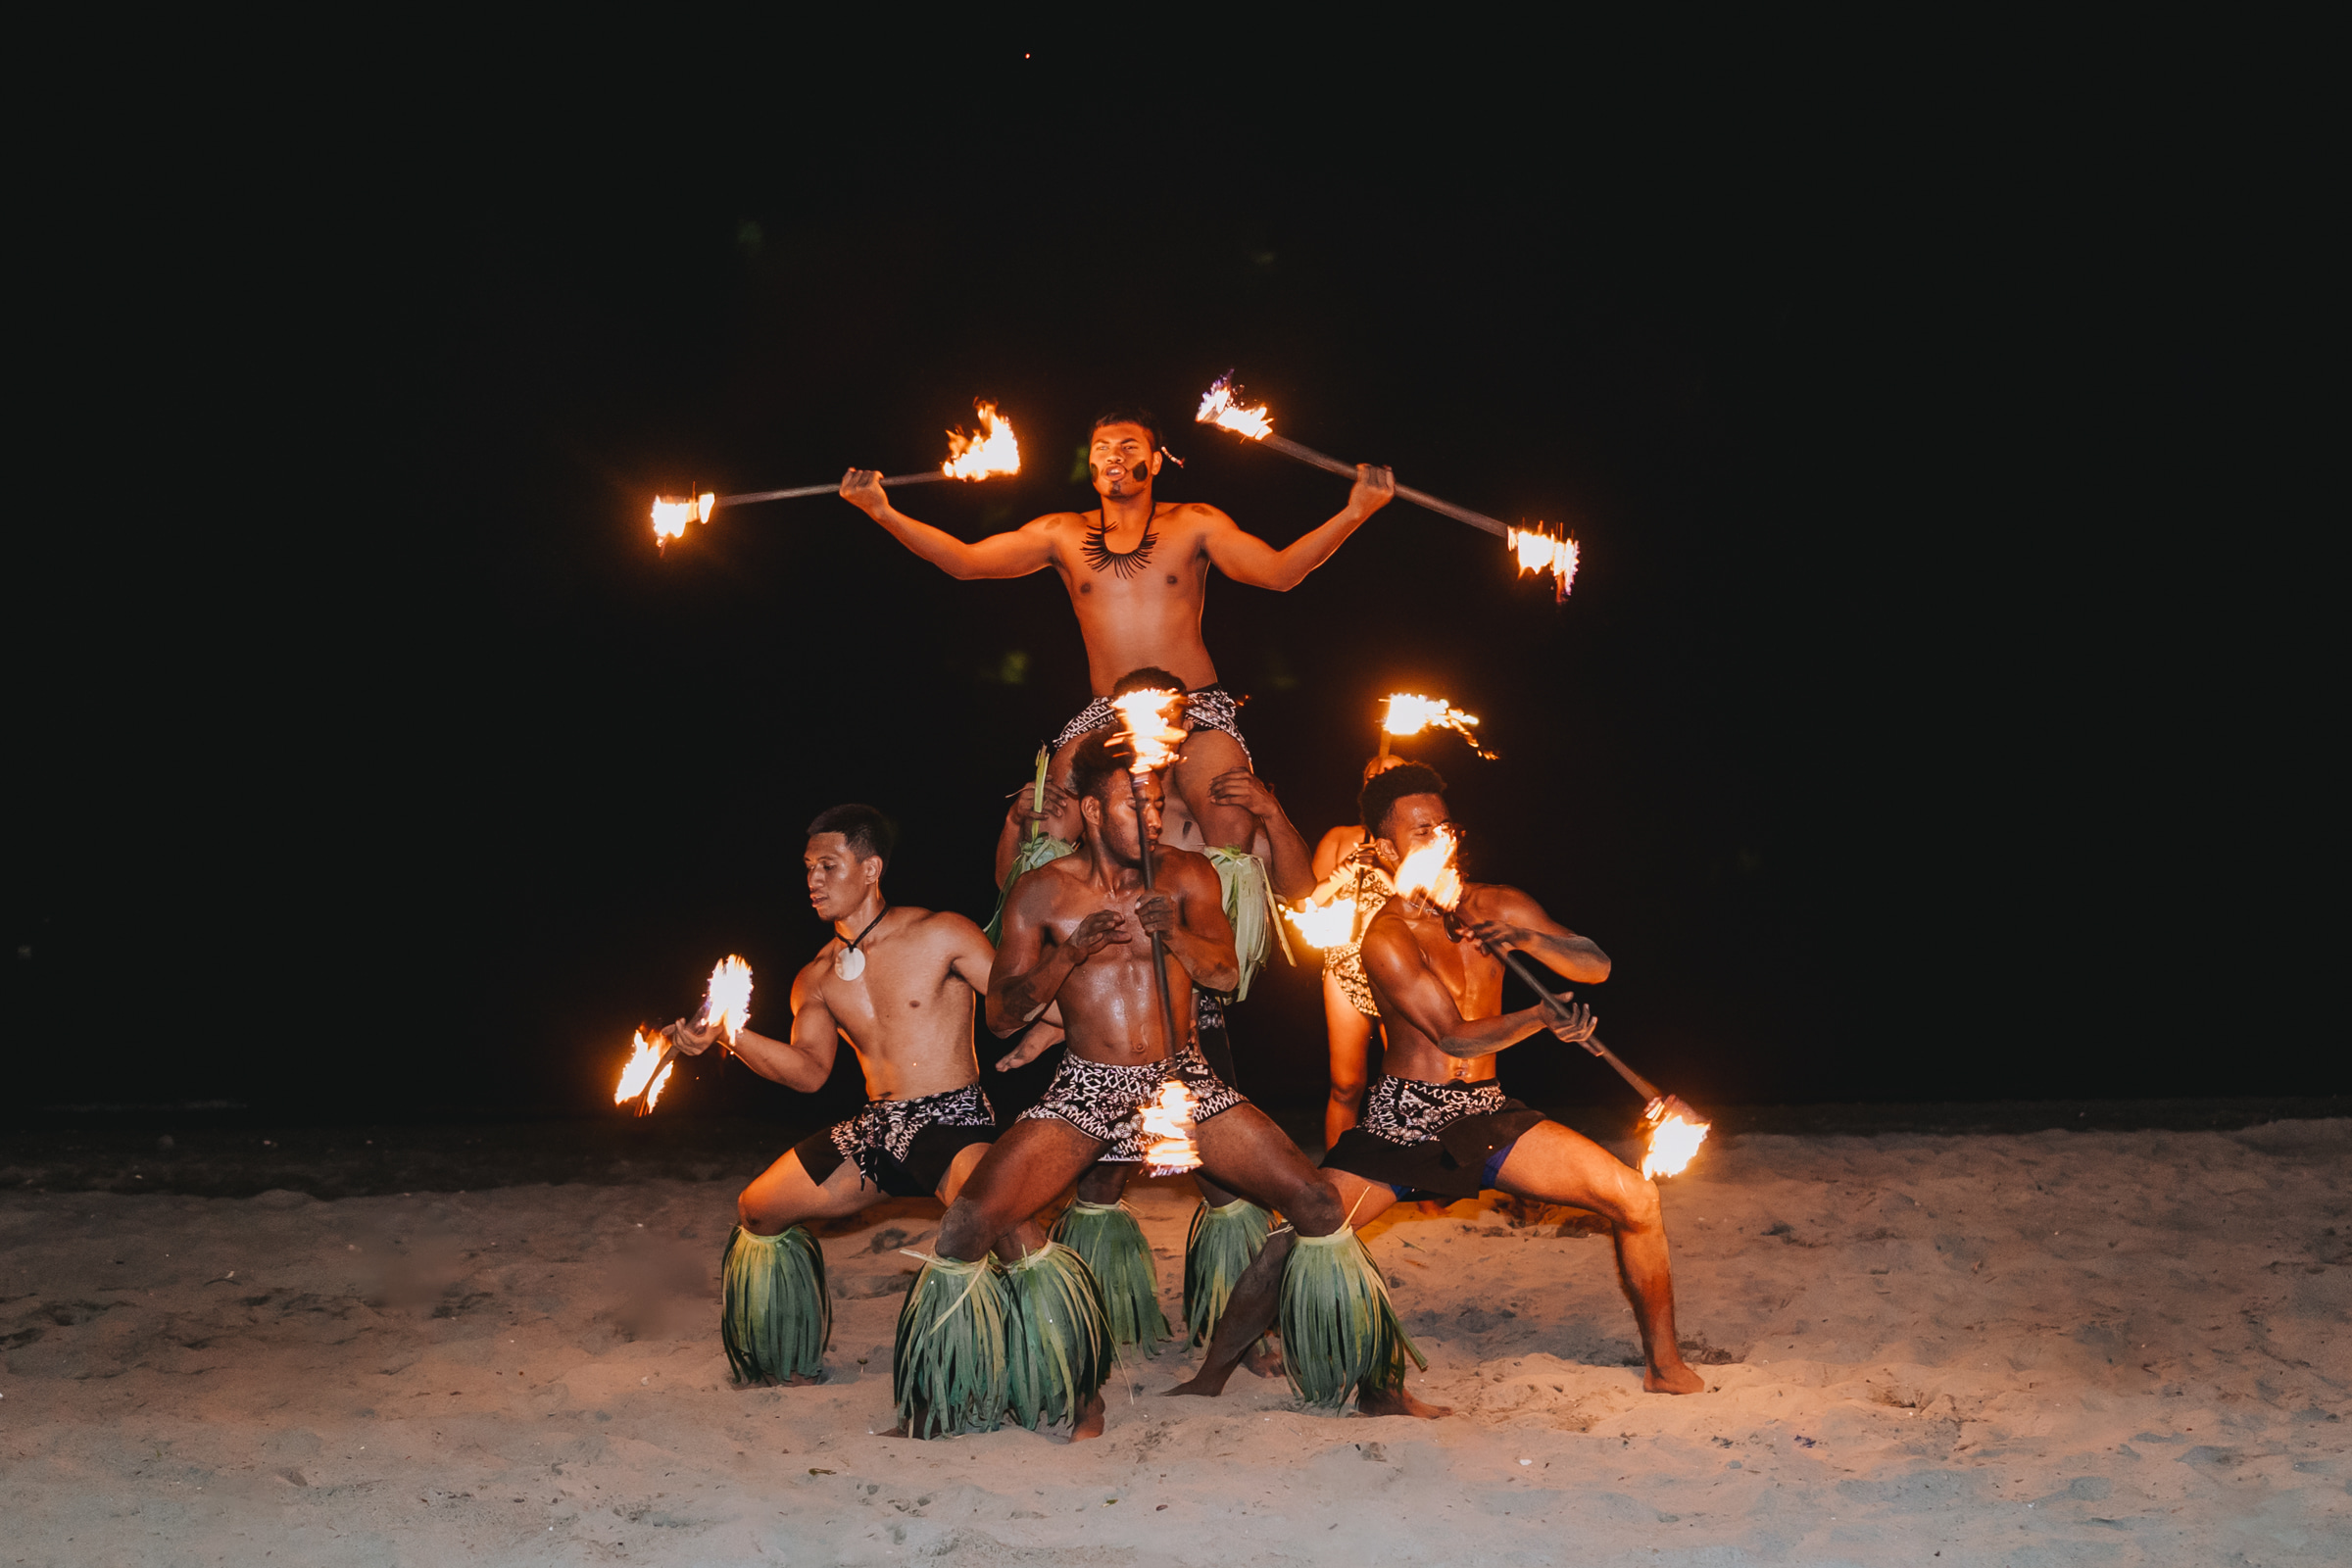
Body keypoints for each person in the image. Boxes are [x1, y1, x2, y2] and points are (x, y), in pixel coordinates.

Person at [890, 733, 1394, 1440]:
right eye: (1138, 806)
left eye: (1158, 803)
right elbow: (1003, 1017)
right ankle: (952, 1404)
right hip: (1089, 1085)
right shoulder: (1041, 892)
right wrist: (1068, 955)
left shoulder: (1187, 876)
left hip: (1180, 1079)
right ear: (1094, 813)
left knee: (1315, 1204)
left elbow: (1224, 975)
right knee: (969, 1223)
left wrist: (1179, 940)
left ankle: (1329, 1381)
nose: (1154, 818)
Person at [1174, 762, 1708, 1414]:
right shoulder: (1387, 935)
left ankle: (1666, 1365)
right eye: (1420, 829)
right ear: (1385, 849)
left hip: (1487, 1114)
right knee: (1292, 1239)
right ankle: (1211, 1376)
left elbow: (1595, 964)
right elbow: (1454, 1037)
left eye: (1445, 826)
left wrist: (1528, 939)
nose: (1439, 838)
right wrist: (1541, 1018)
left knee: (1635, 1198)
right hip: (1407, 1120)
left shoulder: (1499, 904)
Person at [841, 406, 1393, 863]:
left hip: (1194, 706)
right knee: (1049, 825)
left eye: (1129, 446)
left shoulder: (1195, 522)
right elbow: (964, 562)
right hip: (1107, 709)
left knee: (1229, 822)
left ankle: (1212, 969)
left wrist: (1355, 512)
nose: (1114, 456)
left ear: (1155, 461)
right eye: (1104, 447)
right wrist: (882, 511)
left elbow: (1279, 573)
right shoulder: (1060, 532)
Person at [660, 805, 1050, 1388]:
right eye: (809, 868)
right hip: (875, 1128)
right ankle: (787, 1357)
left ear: (870, 869)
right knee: (758, 1210)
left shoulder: (941, 932)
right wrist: (730, 1036)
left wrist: (1046, 1034)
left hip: (950, 1120)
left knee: (1008, 1229)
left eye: (828, 865)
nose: (813, 880)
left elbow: (1021, 999)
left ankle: (1047, 1360)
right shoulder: (814, 976)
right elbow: (809, 1072)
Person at [986, 675, 1313, 1362]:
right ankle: (1098, 1316)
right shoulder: (1094, 794)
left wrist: (1273, 817)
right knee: (1101, 1177)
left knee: (1223, 1179)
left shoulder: (1206, 805)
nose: (1158, 727)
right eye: (1144, 714)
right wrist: (1022, 820)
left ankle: (1241, 1335)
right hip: (1095, 1029)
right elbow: (1025, 882)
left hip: (1191, 1021)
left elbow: (1284, 911)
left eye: (1171, 714)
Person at [1298, 753, 1406, 1147]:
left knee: (1410, 1082)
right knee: (1346, 1083)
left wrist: (1386, 867)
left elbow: (1434, 907)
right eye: (1373, 772)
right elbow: (1305, 906)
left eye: (1392, 771)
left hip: (1402, 969)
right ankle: (1339, 1183)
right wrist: (1344, 871)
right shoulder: (1340, 837)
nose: (1381, 776)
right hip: (1345, 965)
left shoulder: (1426, 841)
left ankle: (1419, 1185)